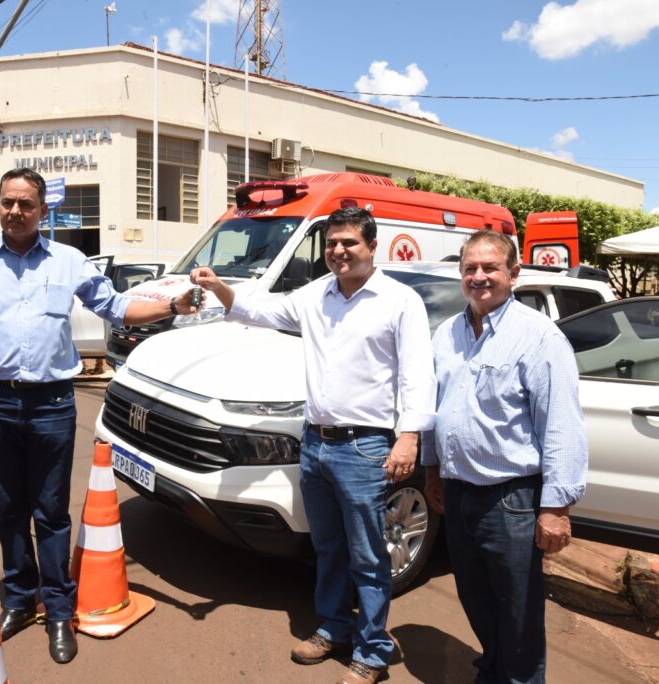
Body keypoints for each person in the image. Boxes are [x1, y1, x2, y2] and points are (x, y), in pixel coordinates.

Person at [0, 167, 199, 665]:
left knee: (51, 511)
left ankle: (57, 609)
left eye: (25, 204)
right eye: (7, 202)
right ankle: (18, 598)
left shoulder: (69, 261)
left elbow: (115, 306)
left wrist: (171, 307)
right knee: (9, 508)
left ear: (42, 210)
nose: (15, 211)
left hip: (51, 405)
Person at [191, 207, 436, 684]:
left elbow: (417, 374)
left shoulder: (400, 301)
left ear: (372, 247)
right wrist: (219, 287)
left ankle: (372, 652)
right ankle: (333, 628)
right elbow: (259, 311)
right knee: (328, 548)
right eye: (332, 244)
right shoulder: (316, 294)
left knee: (369, 556)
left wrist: (409, 437)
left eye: (349, 243)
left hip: (366, 447)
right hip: (316, 444)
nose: (339, 251)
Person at [421, 231, 588, 684]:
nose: (479, 277)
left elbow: (561, 424)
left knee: (518, 609)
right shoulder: (447, 333)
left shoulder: (539, 337)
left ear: (513, 274)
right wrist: (432, 470)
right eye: (470, 268)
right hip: (457, 493)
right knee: (475, 597)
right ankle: (493, 669)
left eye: (490, 268)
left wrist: (555, 507)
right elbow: (437, 409)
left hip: (510, 500)